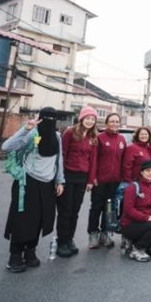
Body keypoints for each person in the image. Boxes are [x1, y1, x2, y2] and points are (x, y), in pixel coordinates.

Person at [1, 107, 65, 273]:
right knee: (22, 221)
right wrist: (26, 128)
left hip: (48, 184)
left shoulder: (57, 137)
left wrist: (60, 181)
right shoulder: (32, 133)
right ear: (40, 118)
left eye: (53, 118)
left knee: (38, 221)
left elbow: (60, 160)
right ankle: (15, 256)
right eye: (46, 118)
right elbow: (6, 147)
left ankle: (30, 251)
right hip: (27, 183)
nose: (49, 122)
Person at [56, 106, 98, 258]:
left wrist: (90, 181)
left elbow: (93, 161)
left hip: (82, 178)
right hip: (68, 175)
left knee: (75, 211)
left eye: (93, 119)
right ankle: (61, 242)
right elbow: (62, 155)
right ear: (82, 118)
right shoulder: (69, 133)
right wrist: (59, 178)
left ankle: (69, 239)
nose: (90, 121)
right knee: (65, 211)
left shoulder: (93, 137)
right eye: (87, 118)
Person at [87, 113, 126, 249]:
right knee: (96, 207)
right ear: (107, 123)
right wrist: (93, 178)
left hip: (114, 181)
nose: (115, 124)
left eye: (117, 121)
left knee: (108, 208)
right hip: (100, 181)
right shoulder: (100, 138)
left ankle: (105, 233)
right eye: (112, 121)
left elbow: (123, 161)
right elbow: (93, 160)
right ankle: (93, 234)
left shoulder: (121, 139)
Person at [120, 160, 151, 262]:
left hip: (143, 224)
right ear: (141, 172)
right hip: (129, 225)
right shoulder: (133, 187)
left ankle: (131, 242)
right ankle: (136, 249)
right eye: (147, 170)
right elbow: (128, 210)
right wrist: (147, 218)